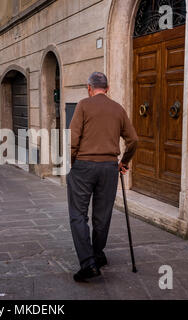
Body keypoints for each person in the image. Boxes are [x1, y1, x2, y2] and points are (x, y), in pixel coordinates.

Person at [67, 72, 138, 282]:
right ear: (107, 88)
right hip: (109, 167)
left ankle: (88, 262)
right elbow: (133, 139)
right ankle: (98, 254)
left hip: (84, 165)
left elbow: (72, 139)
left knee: (78, 215)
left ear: (89, 88)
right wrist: (124, 162)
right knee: (102, 214)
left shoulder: (83, 105)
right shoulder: (117, 108)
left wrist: (73, 164)